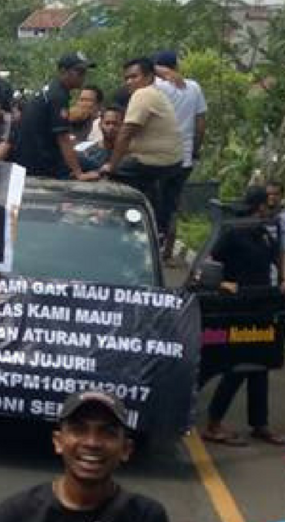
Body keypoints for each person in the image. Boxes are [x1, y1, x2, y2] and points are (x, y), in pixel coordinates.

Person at [0, 390, 170, 522]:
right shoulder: (17, 514)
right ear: (58, 441)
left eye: (107, 432)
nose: (92, 442)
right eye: (79, 429)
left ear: (126, 449)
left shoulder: (146, 516)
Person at [201, 187, 285, 446]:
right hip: (238, 310)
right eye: (268, 205)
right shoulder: (233, 232)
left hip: (262, 307)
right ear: (259, 206)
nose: (272, 210)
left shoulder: (263, 233)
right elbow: (208, 263)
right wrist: (225, 284)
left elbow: (276, 262)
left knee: (260, 365)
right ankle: (213, 424)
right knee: (238, 366)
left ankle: (259, 424)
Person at [100, 57, 184, 239]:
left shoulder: (143, 94)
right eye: (126, 78)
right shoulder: (154, 93)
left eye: (134, 77)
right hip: (170, 160)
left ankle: (112, 227)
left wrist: (111, 166)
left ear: (148, 78)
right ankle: (152, 224)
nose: (129, 82)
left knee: (107, 176)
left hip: (157, 161)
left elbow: (125, 133)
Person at [153, 50, 208, 262]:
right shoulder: (194, 87)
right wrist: (195, 149)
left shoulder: (156, 87)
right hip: (184, 158)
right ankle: (167, 250)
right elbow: (201, 123)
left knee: (156, 202)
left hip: (161, 157)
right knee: (173, 204)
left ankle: (154, 245)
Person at [16, 53, 99, 180]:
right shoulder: (58, 96)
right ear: (63, 71)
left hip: (30, 156)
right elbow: (63, 138)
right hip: (41, 163)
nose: (83, 76)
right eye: (79, 72)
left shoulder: (50, 90)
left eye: (84, 72)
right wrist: (79, 173)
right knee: (95, 166)